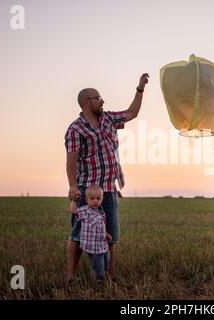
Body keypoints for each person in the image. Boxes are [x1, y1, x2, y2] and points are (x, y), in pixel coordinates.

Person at [65, 73, 149, 283]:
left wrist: (140, 88)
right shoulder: (76, 129)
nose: (103, 101)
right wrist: (73, 186)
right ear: (86, 102)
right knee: (77, 233)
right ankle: (70, 277)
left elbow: (132, 112)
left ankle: (108, 274)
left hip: (108, 190)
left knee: (111, 233)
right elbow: (71, 161)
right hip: (87, 190)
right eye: (98, 98)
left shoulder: (109, 119)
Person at [70, 185, 112, 286]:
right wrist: (74, 201)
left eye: (98, 198)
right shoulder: (85, 211)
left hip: (103, 244)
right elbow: (73, 211)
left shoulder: (101, 212)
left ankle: (98, 273)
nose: (95, 201)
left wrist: (106, 234)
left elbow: (102, 225)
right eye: (92, 199)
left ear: (102, 199)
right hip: (93, 246)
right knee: (99, 265)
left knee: (106, 261)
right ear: (86, 199)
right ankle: (98, 281)